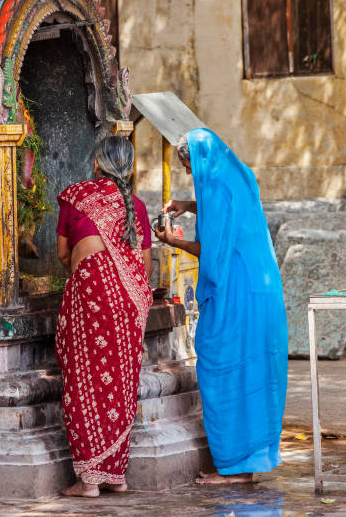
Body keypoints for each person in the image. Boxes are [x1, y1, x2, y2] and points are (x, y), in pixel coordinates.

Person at [155, 128, 288, 485]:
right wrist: (188, 205)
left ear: (197, 161)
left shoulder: (213, 186)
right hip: (262, 288)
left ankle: (233, 468)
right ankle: (247, 461)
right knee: (255, 369)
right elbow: (231, 205)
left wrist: (173, 241)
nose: (187, 173)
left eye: (187, 165)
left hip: (237, 289)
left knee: (222, 363)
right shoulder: (240, 174)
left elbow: (212, 251)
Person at [55, 135, 153, 497]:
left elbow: (64, 254)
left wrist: (89, 274)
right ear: (130, 168)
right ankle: (117, 476)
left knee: (84, 381)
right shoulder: (137, 206)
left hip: (91, 296)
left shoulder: (76, 197)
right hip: (130, 304)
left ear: (96, 164)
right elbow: (144, 266)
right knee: (121, 386)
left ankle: (90, 481)